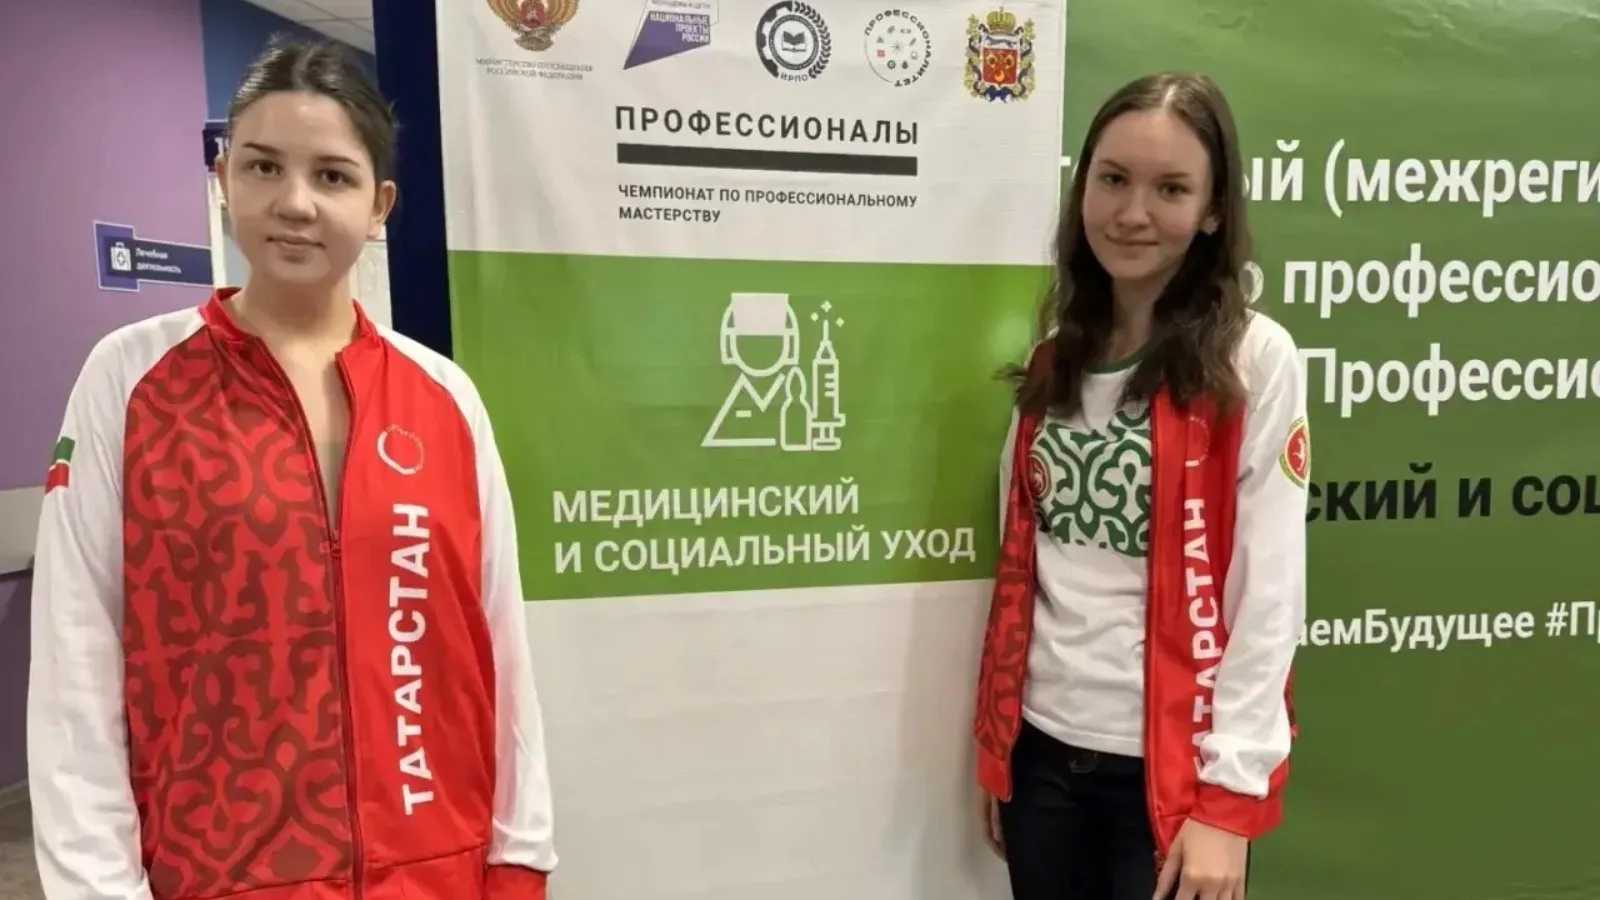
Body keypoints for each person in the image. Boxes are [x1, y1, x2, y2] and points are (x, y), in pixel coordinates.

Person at [27, 39, 557, 900]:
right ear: (222, 176)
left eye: (333, 176)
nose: (295, 203)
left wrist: (519, 853)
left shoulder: (443, 398)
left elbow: (498, 646)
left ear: (379, 204)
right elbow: (75, 660)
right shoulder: (131, 381)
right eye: (264, 166)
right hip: (224, 877)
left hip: (436, 874)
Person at [970, 71, 1307, 900]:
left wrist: (1229, 802)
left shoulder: (1254, 360)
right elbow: (1027, 566)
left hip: (1171, 776)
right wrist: (999, 743)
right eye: (1113, 179)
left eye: (1171, 189)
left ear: (1214, 210)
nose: (1132, 212)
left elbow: (1268, 594)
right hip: (1041, 756)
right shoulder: (1055, 357)